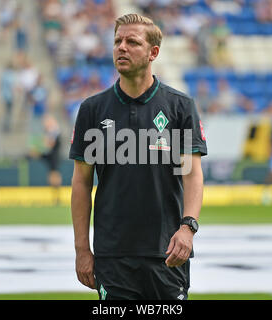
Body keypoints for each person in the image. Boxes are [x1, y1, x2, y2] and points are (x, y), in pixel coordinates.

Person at [70, 13, 207, 300]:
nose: (121, 47)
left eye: (132, 42)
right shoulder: (92, 110)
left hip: (168, 253)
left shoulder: (179, 107)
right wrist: (82, 249)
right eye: (117, 41)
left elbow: (191, 173)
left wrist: (188, 227)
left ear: (153, 53)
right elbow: (82, 183)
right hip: (112, 255)